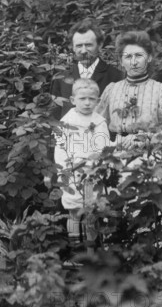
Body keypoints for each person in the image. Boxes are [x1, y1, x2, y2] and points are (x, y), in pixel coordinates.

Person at [47, 78, 110, 245]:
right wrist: (64, 170)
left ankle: (93, 248)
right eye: (83, 99)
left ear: (98, 100)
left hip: (92, 172)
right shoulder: (66, 122)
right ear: (73, 100)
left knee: (92, 210)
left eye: (92, 99)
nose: (87, 103)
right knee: (74, 209)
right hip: (72, 171)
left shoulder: (99, 122)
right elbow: (60, 149)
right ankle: (75, 248)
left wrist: (97, 165)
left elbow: (102, 147)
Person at [96, 31, 162, 151]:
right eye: (128, 57)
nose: (134, 62)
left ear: (149, 57)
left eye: (138, 55)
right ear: (121, 61)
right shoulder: (111, 90)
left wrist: (145, 139)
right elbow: (96, 125)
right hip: (116, 154)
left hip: (150, 156)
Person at [50, 18, 123, 119]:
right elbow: (54, 117)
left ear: (100, 45)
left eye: (88, 45)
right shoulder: (61, 77)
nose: (83, 50)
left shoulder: (116, 76)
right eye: (79, 46)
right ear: (73, 47)